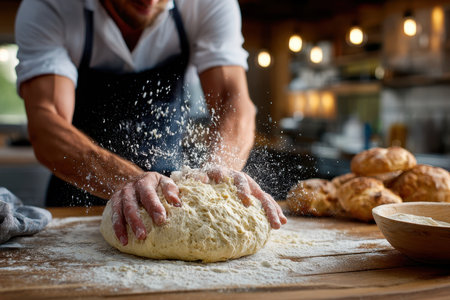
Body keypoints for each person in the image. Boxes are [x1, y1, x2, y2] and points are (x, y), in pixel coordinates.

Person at [15, 0, 287, 245]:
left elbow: (233, 102)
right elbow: (46, 125)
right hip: (76, 201)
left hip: (169, 200)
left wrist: (220, 172)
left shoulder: (208, 4)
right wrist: (130, 181)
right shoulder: (49, 6)